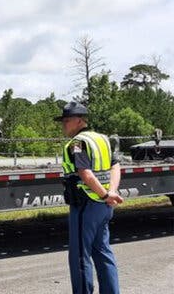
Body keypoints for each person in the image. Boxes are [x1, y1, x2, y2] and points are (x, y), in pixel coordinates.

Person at [55, 101, 124, 294]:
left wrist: (105, 194)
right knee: (103, 252)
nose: (63, 125)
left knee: (79, 256)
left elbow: (85, 173)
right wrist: (111, 193)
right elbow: (115, 166)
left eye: (67, 121)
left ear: (79, 121)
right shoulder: (103, 139)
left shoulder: (77, 143)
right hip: (104, 206)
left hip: (86, 205)